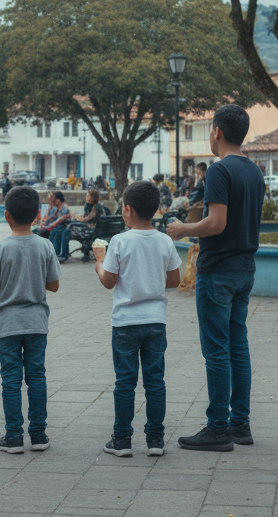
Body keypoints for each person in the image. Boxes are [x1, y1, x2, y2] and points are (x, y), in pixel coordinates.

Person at [167, 104, 263, 452]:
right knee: (238, 346)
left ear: (217, 132)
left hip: (218, 270)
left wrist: (183, 229)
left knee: (217, 350)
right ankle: (240, 423)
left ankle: (218, 427)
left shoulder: (220, 171)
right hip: (244, 269)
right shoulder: (254, 171)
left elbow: (216, 223)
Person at [94, 180, 182, 457]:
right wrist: (151, 280)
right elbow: (174, 280)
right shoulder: (165, 241)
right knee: (155, 382)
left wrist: (99, 262)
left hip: (125, 323)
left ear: (128, 209)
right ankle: (155, 440)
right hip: (156, 321)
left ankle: (122, 440)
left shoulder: (119, 241)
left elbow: (108, 282)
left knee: (125, 382)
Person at [0, 185, 59, 453]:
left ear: (7, 215)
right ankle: (38, 435)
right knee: (36, 377)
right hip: (37, 322)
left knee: (11, 379)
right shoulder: (45, 245)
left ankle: (13, 436)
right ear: (37, 215)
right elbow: (54, 285)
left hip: (7, 324)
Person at [39, 191, 72, 262]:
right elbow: (48, 218)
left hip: (64, 227)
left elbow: (58, 221)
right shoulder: (55, 208)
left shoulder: (64, 208)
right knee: (39, 231)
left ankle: (55, 253)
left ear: (58, 200)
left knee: (56, 232)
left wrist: (47, 227)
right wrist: (43, 224)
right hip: (56, 227)